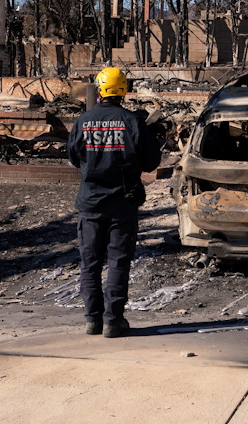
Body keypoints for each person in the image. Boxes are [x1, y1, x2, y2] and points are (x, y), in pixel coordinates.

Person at [67, 66, 161, 338]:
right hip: (123, 204)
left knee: (90, 263)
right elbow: (152, 162)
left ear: (99, 89)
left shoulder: (83, 121)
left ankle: (92, 320)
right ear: (124, 90)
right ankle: (113, 320)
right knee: (119, 262)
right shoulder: (133, 122)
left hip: (91, 204)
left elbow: (74, 158)